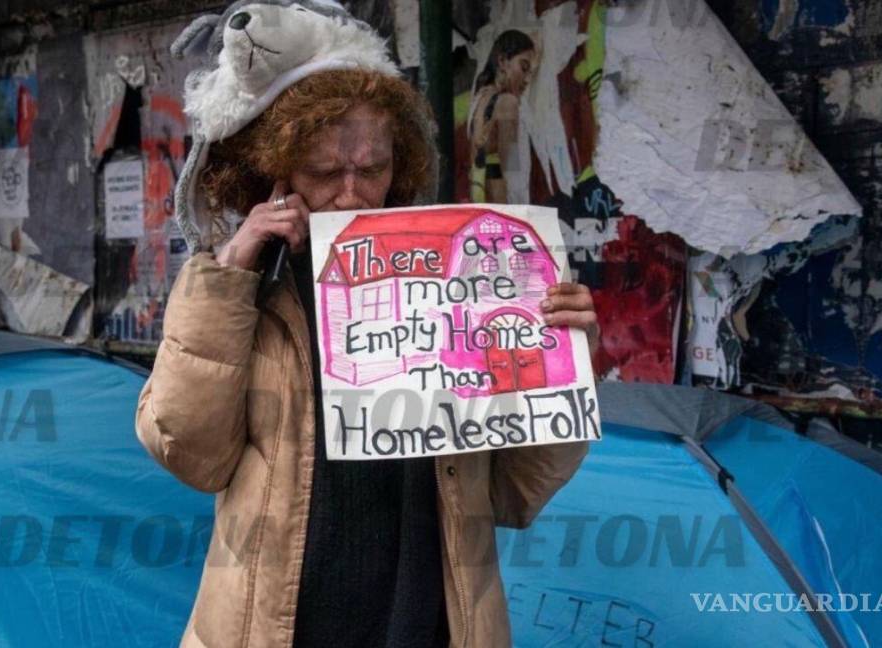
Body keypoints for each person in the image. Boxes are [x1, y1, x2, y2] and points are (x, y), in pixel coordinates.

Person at [136, 5, 597, 647]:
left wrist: (561, 361)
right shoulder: (248, 290)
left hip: (432, 628)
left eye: (372, 168)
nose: (351, 193)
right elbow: (191, 454)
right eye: (325, 172)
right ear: (274, 166)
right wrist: (230, 274)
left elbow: (515, 494)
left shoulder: (458, 283)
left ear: (400, 163)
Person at [468, 30, 537, 203]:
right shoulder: (508, 103)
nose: (527, 79)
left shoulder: (479, 98)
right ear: (503, 61)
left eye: (530, 73)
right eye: (524, 67)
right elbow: (512, 170)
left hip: (482, 207)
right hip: (506, 207)